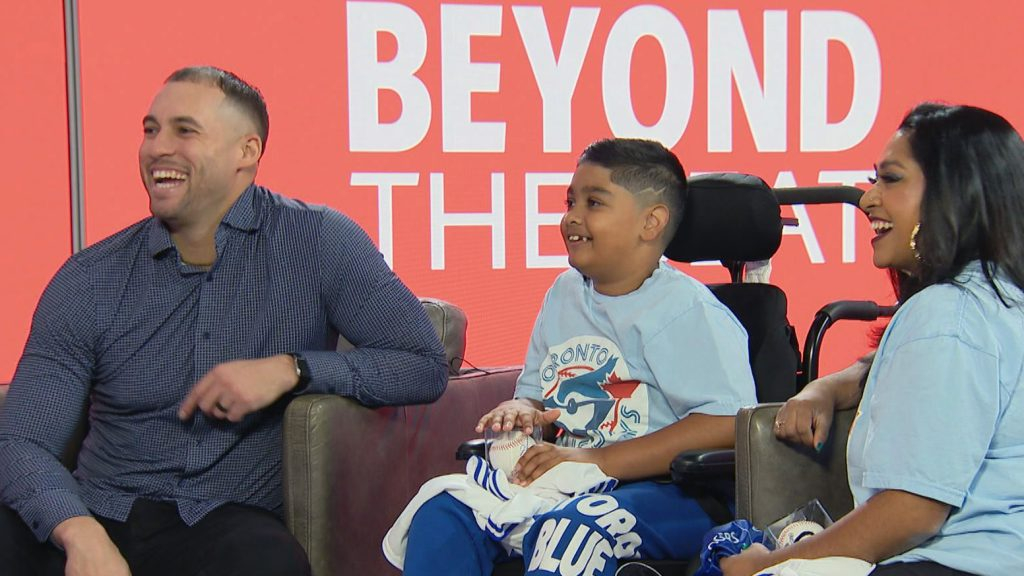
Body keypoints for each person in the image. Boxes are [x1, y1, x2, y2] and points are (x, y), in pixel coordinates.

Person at [0, 66, 448, 576]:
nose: (156, 148)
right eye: (150, 130)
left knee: (267, 563)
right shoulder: (90, 278)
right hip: (100, 510)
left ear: (247, 153)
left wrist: (293, 370)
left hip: (222, 522)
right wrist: (77, 532)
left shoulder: (319, 242)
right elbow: (22, 440)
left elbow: (422, 365)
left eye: (183, 130)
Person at [397, 138, 757, 575]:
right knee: (443, 511)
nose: (571, 217)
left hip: (670, 492)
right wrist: (522, 409)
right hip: (571, 479)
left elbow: (726, 424)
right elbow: (536, 398)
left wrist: (595, 461)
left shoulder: (687, 311)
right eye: (571, 200)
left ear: (651, 222)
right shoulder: (564, 294)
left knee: (570, 532)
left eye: (594, 203)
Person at [722, 103, 1024, 576]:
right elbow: (902, 370)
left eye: (892, 179)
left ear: (953, 194)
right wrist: (826, 386)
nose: (867, 200)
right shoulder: (998, 300)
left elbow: (910, 512)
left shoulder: (946, 315)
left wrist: (768, 564)